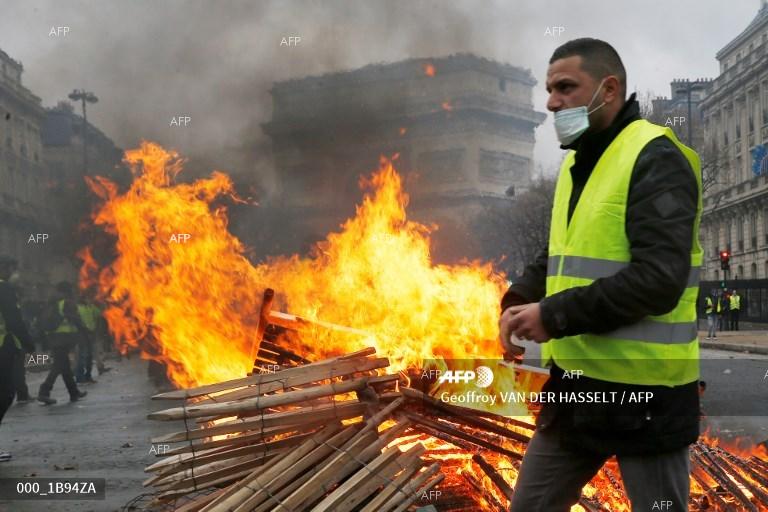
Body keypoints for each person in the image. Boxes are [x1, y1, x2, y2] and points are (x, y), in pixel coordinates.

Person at [499, 38, 700, 511]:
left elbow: (660, 278)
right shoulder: (576, 166)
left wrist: (554, 316)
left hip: (647, 396)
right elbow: (561, 254)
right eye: (549, 90)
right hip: (577, 388)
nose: (551, 102)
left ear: (608, 89)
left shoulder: (656, 157)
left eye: (566, 87)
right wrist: (517, 299)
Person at [0, 256, 36, 462]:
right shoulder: (3, 288)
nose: (13, 272)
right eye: (11, 268)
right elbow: (13, 319)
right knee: (5, 394)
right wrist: (28, 343)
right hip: (2, 347)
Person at [37, 282, 87, 405]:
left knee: (65, 368)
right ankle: (44, 392)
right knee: (58, 366)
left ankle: (74, 392)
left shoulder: (52, 302)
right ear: (67, 291)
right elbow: (76, 319)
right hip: (63, 339)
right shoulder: (66, 303)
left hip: (54, 338)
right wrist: (86, 331)